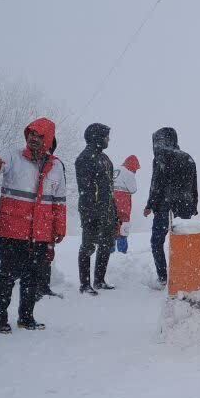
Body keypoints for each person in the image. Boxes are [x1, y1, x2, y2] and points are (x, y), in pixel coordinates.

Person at [0, 117, 66, 333]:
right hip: (12, 230)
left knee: (33, 275)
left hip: (40, 232)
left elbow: (59, 201)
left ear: (48, 139)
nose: (33, 139)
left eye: (39, 136)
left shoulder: (57, 166)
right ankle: (2, 320)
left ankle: (26, 317)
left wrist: (59, 229)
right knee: (7, 274)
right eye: (31, 134)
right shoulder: (13, 156)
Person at [144, 127, 198, 288]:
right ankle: (185, 276)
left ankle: (163, 278)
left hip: (164, 207)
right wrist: (194, 206)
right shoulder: (188, 158)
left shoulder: (161, 158)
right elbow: (194, 185)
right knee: (182, 243)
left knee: (157, 242)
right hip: (184, 207)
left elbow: (156, 184)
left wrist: (150, 205)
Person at [75, 123, 118, 295]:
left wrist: (113, 211)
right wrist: (92, 212)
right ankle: (84, 285)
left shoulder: (105, 158)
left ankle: (99, 280)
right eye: (106, 136)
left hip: (107, 210)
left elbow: (109, 189)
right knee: (88, 246)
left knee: (106, 246)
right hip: (91, 211)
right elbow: (85, 189)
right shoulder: (85, 158)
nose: (109, 139)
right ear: (97, 137)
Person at [112, 155, 140, 253]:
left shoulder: (115, 169)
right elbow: (133, 189)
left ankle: (109, 253)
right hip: (122, 201)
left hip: (109, 200)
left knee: (111, 226)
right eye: (135, 169)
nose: (135, 171)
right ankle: (122, 253)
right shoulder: (128, 172)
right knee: (123, 226)